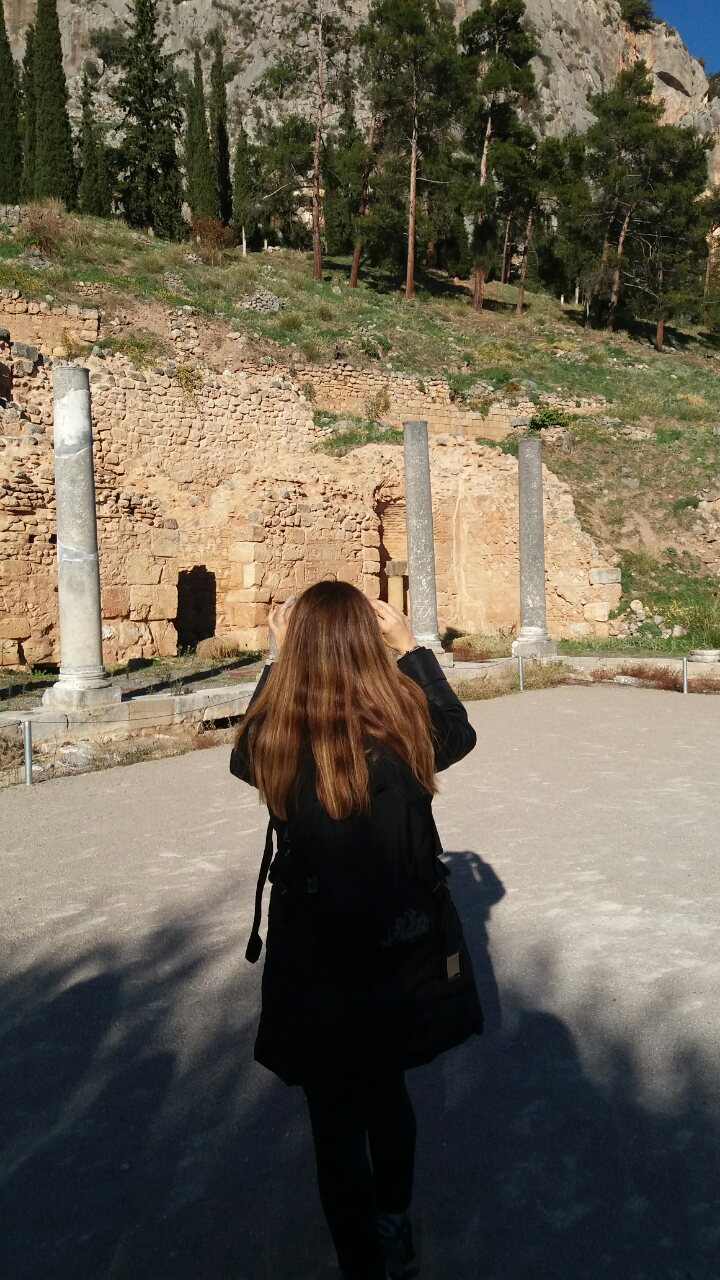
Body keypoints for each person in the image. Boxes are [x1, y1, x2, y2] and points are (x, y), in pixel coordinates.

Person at [230, 581, 483, 1280]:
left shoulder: (277, 738)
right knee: (385, 1089)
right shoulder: (405, 725)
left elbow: (242, 755)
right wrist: (412, 649)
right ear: (370, 643)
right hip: (397, 945)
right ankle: (394, 1220)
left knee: (334, 1122)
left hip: (315, 957)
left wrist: (276, 656)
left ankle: (361, 1265)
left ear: (299, 645)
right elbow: (458, 731)